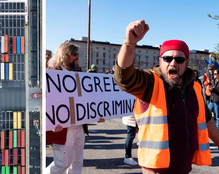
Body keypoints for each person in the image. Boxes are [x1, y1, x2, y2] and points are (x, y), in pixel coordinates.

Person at [113, 19, 219, 174]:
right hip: (156, 169)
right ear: (160, 61)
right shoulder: (151, 83)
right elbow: (124, 78)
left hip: (184, 167)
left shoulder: (194, 88)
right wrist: (129, 44)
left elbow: (208, 122)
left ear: (186, 62)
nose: (173, 63)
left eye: (179, 59)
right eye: (168, 58)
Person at [46, 42, 104, 174]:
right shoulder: (52, 73)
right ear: (65, 55)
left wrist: (96, 113)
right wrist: (50, 123)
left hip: (79, 125)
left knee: (77, 162)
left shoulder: (79, 72)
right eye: (75, 54)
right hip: (62, 127)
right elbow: (47, 101)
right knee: (62, 164)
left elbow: (85, 98)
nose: (77, 57)